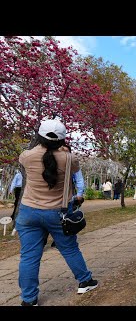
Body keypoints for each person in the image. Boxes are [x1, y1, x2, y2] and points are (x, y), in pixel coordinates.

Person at [16, 119, 98, 306]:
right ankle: (85, 281)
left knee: (29, 256)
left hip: (29, 212)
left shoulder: (26, 156)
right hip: (57, 213)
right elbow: (73, 168)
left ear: (39, 136)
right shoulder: (69, 159)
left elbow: (37, 155)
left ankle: (29, 299)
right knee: (69, 248)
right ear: (62, 140)